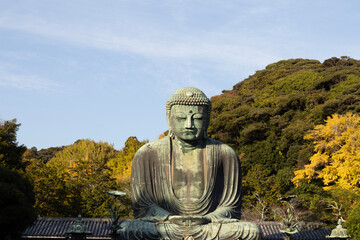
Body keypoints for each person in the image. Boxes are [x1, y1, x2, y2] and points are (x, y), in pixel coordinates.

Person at [117, 87, 261, 240]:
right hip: (167, 226)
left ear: (207, 120)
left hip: (208, 227)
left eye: (197, 118)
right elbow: (143, 207)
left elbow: (230, 208)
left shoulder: (225, 154)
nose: (189, 124)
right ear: (169, 118)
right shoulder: (148, 153)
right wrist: (170, 218)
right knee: (126, 229)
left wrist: (208, 218)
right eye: (180, 118)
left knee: (251, 231)